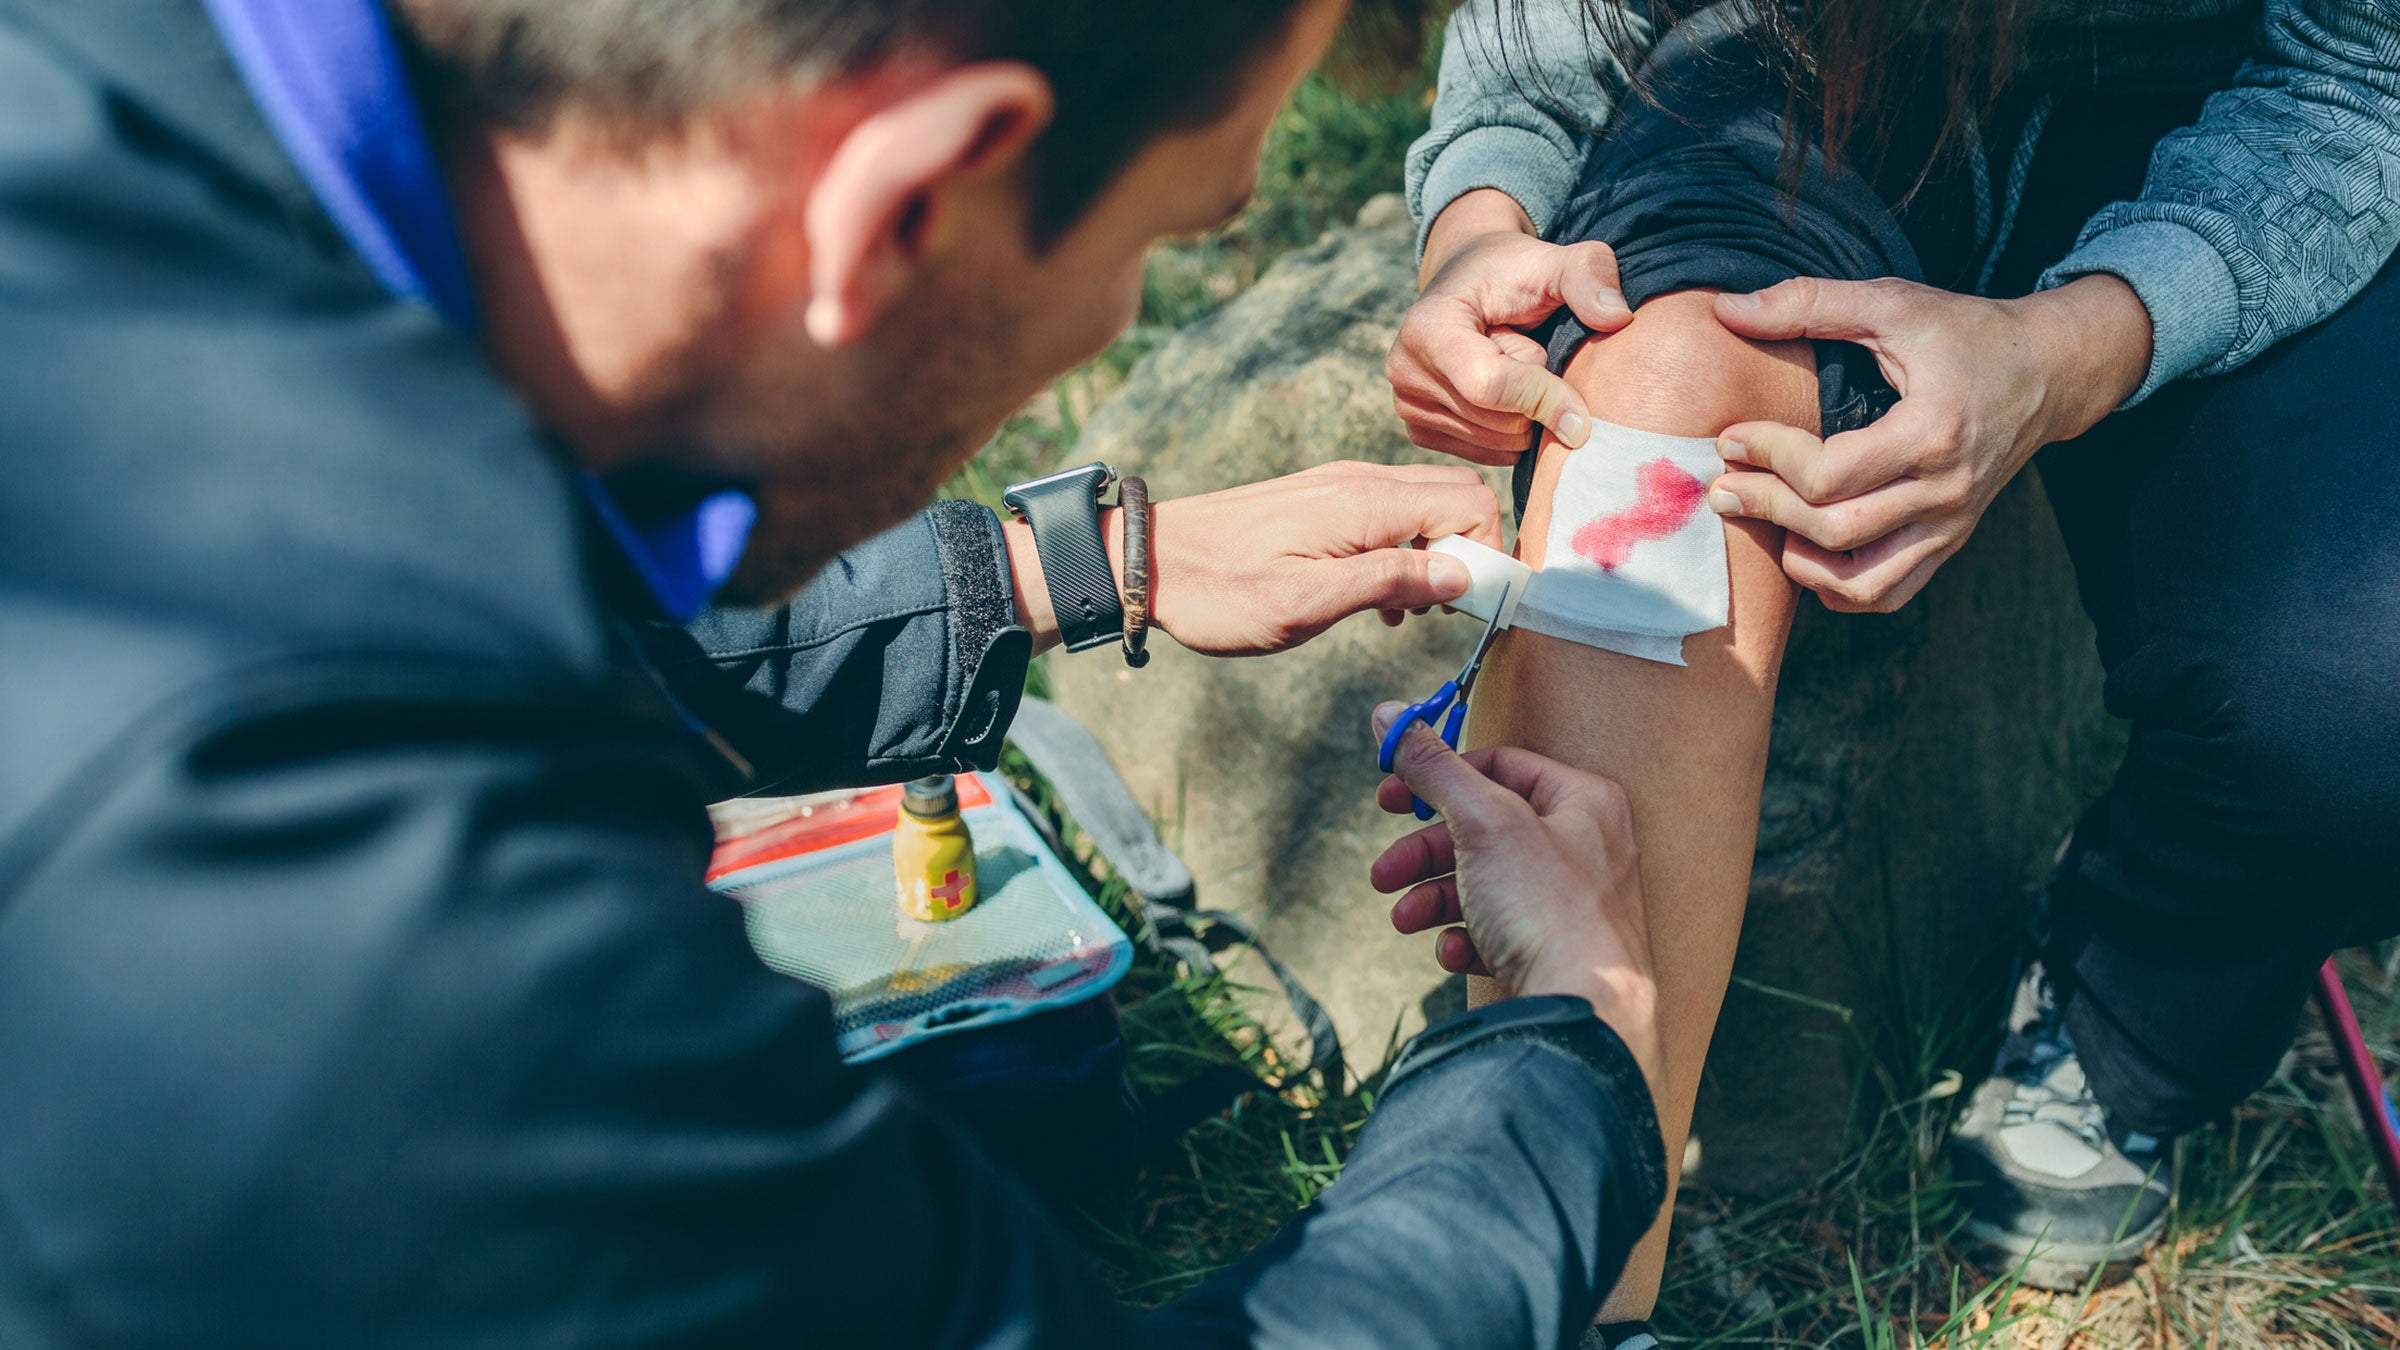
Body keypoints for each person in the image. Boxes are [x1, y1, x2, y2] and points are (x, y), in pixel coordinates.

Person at [0, 0, 1674, 1344]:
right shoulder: (357, 890)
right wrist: (1564, 1046)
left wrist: (1052, 571)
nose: (1125, 312)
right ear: (908, 199)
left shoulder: (127, 106)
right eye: (1165, 238)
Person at [1389, 0, 2400, 1335]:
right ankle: (1560, 1299)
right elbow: (1542, 29)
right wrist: (1477, 230)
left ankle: (2132, 1010)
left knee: (2358, 706)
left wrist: (2066, 354)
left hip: (2238, 94)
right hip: (1793, 62)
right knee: (1649, 431)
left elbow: (2361, 78)